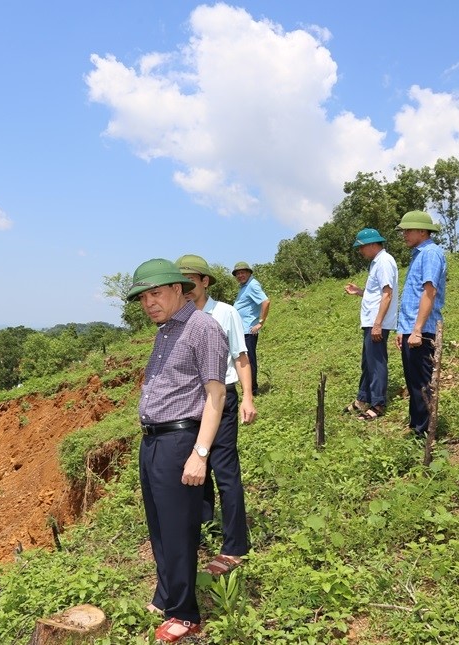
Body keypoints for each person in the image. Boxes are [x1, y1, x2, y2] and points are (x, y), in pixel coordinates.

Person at [126, 258, 228, 643]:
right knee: (159, 525)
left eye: (155, 293)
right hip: (152, 439)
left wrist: (200, 454)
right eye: (143, 298)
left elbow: (215, 395)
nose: (149, 303)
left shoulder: (203, 328)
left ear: (177, 289)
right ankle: (167, 592)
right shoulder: (166, 330)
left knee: (179, 529)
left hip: (180, 440)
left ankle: (186, 614)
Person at [176, 254, 256, 575]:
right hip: (190, 404)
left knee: (225, 470)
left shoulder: (226, 313)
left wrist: (248, 397)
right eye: (179, 284)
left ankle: (235, 545)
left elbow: (241, 357)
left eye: (190, 282)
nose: (185, 289)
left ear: (205, 281)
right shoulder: (177, 318)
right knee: (196, 467)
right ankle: (203, 528)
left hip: (221, 400)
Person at [395, 211, 447, 439]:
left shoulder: (431, 254)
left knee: (422, 386)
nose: (404, 234)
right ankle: (416, 427)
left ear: (423, 231)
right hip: (411, 330)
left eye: (408, 230)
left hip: (422, 332)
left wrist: (416, 330)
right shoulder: (418, 255)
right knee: (413, 382)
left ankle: (423, 434)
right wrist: (403, 329)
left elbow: (429, 291)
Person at [343, 229, 399, 421]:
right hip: (372, 321)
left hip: (377, 322)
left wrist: (378, 324)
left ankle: (378, 404)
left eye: (361, 247)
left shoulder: (384, 262)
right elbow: (376, 293)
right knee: (368, 362)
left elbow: (387, 294)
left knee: (376, 363)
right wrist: (360, 292)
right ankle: (363, 399)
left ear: (373, 244)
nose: (360, 252)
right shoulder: (377, 263)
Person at [231, 261, 269, 396]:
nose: (240, 275)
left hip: (249, 330)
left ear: (248, 273)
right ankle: (249, 388)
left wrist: (260, 322)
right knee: (244, 359)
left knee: (249, 360)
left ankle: (252, 390)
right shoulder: (244, 286)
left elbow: (265, 301)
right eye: (238, 273)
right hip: (243, 330)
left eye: (243, 272)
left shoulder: (252, 285)